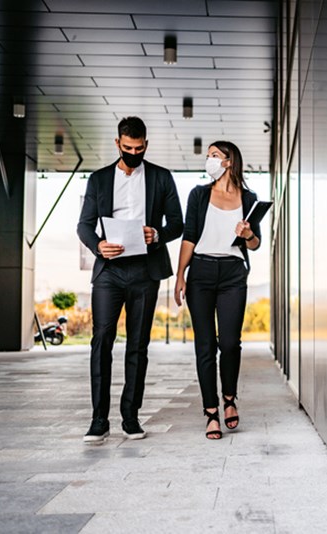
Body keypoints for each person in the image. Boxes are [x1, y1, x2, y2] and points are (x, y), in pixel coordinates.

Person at [77, 116, 183, 444]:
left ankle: (130, 417)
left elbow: (177, 223)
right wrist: (98, 246)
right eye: (127, 148)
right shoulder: (98, 180)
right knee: (101, 341)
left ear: (146, 146)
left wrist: (158, 234)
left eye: (138, 148)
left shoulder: (162, 178)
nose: (133, 152)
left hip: (145, 270)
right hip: (109, 271)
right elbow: (83, 225)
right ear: (117, 144)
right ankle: (98, 420)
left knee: (138, 345)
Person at [173, 141, 261, 440]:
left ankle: (229, 399)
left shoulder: (248, 198)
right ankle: (211, 412)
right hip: (201, 272)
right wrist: (180, 275)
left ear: (228, 162)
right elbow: (189, 236)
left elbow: (255, 243)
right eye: (208, 155)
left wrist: (249, 234)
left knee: (231, 343)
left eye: (213, 156)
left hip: (233, 274)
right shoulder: (199, 195)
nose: (208, 160)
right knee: (206, 345)